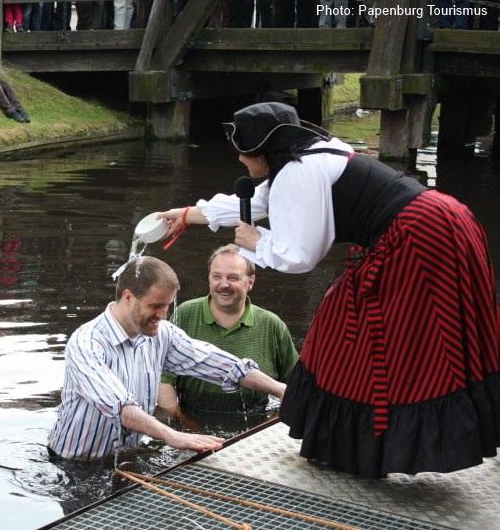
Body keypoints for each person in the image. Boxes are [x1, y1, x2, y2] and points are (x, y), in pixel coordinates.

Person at [158, 101, 500, 478]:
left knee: (368, 335)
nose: (240, 160)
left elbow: (301, 256)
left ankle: (362, 444)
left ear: (264, 151)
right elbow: (257, 202)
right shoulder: (311, 156)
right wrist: (188, 215)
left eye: (244, 153)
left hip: (418, 239)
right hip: (445, 221)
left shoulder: (297, 174)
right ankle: (367, 442)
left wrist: (257, 243)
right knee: (416, 335)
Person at [47, 256, 286, 461]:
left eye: (168, 306)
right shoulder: (86, 343)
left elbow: (222, 365)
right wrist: (174, 436)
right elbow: (120, 406)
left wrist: (282, 390)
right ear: (128, 297)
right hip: (74, 464)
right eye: (156, 306)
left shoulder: (162, 334)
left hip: (127, 456)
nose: (163, 315)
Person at [158, 244, 297, 417]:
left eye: (233, 277)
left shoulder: (272, 325)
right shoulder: (186, 314)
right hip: (192, 417)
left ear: (250, 282)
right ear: (209, 278)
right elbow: (164, 380)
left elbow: (295, 387)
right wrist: (181, 422)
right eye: (217, 276)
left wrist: (270, 424)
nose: (224, 284)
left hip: (257, 421)